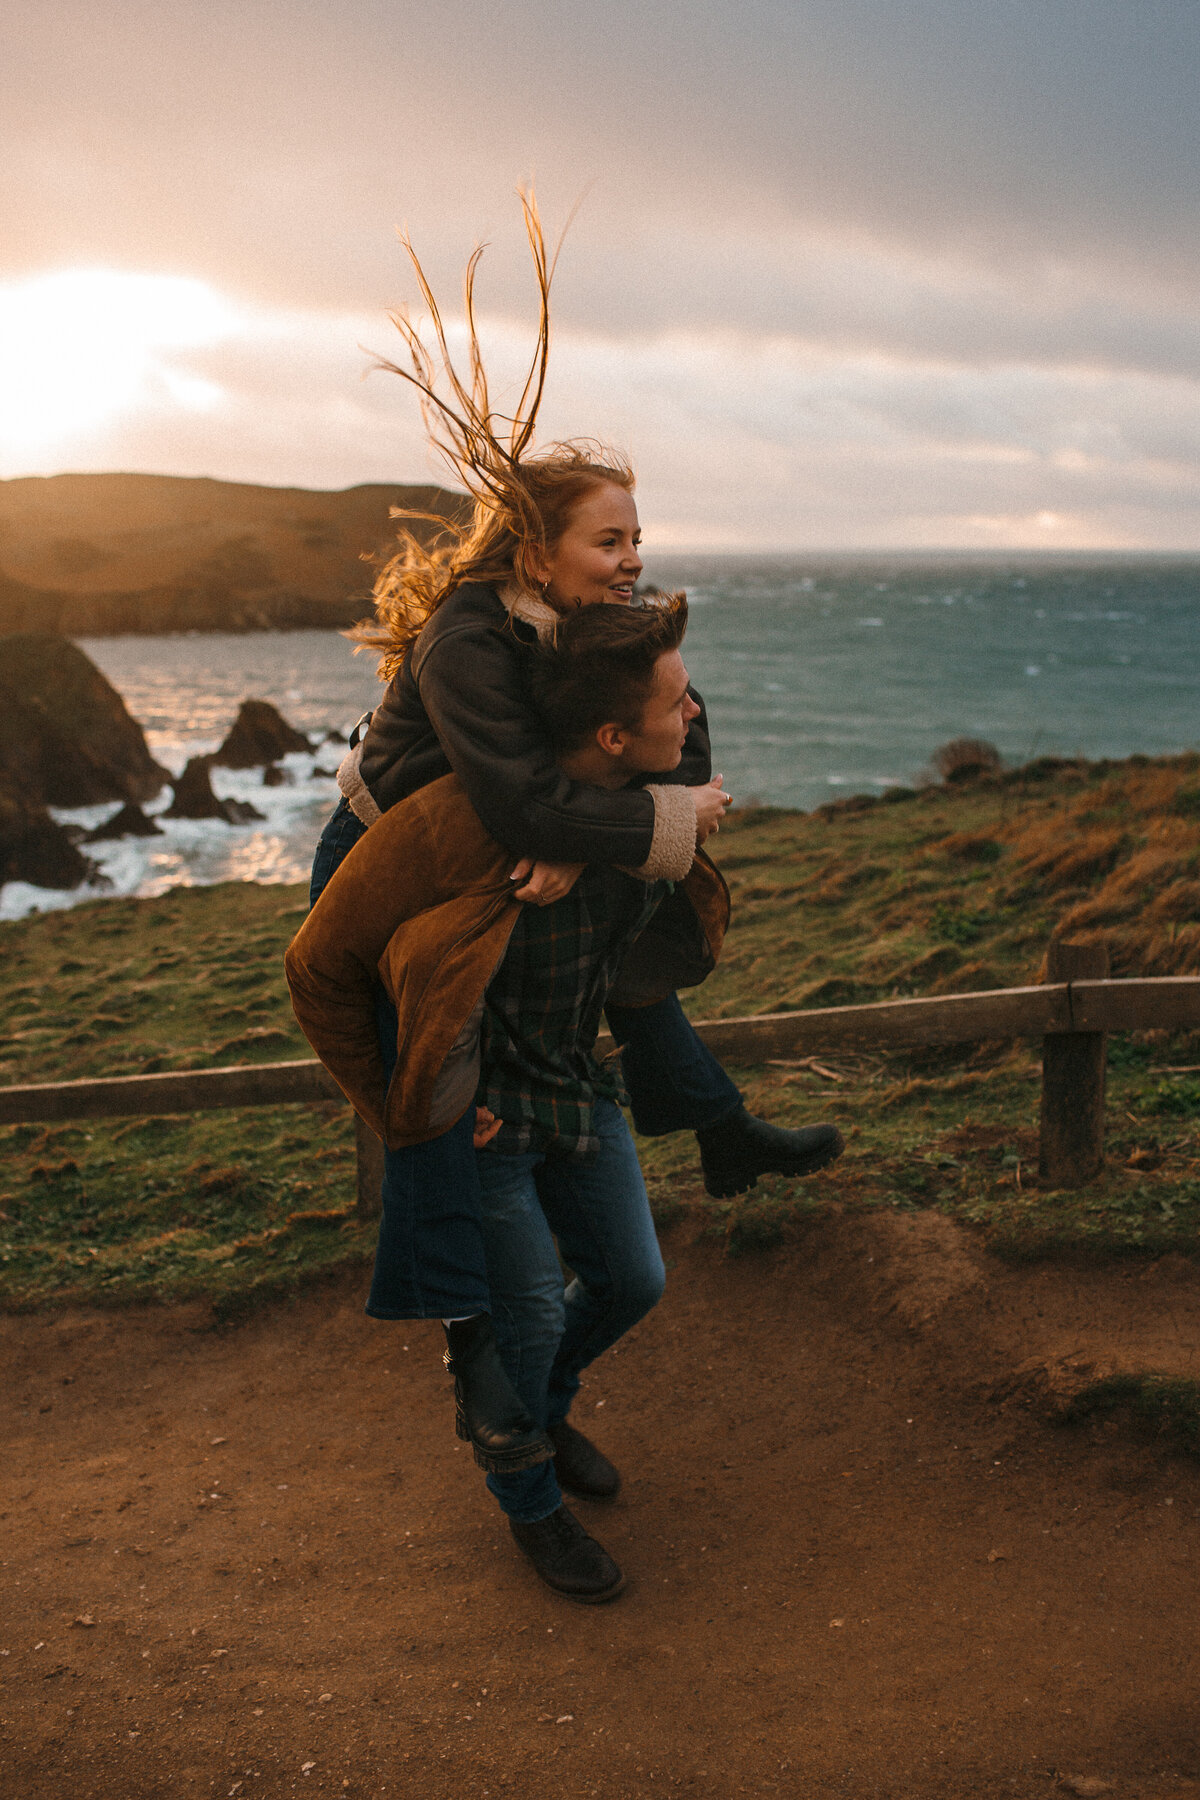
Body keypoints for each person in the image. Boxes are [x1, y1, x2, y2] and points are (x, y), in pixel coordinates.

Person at [305, 194, 842, 1475]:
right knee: (433, 1078)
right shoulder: (468, 638)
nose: (633, 561)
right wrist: (610, 828)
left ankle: (709, 1121)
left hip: (505, 832)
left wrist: (612, 829)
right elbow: (518, 803)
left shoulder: (600, 617)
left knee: (615, 949)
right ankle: (476, 1344)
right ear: (538, 548)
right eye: (611, 540)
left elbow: (682, 726)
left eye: (639, 538)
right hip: (391, 864)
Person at [290, 596, 722, 1599]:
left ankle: (535, 1408)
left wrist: (595, 843)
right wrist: (404, 1107)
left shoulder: (651, 811)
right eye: (676, 698)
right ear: (615, 735)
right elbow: (316, 969)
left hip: (574, 1085)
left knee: (632, 1280)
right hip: (480, 1115)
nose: (697, 710)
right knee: (522, 1314)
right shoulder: (450, 825)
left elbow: (659, 861)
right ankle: (527, 1494)